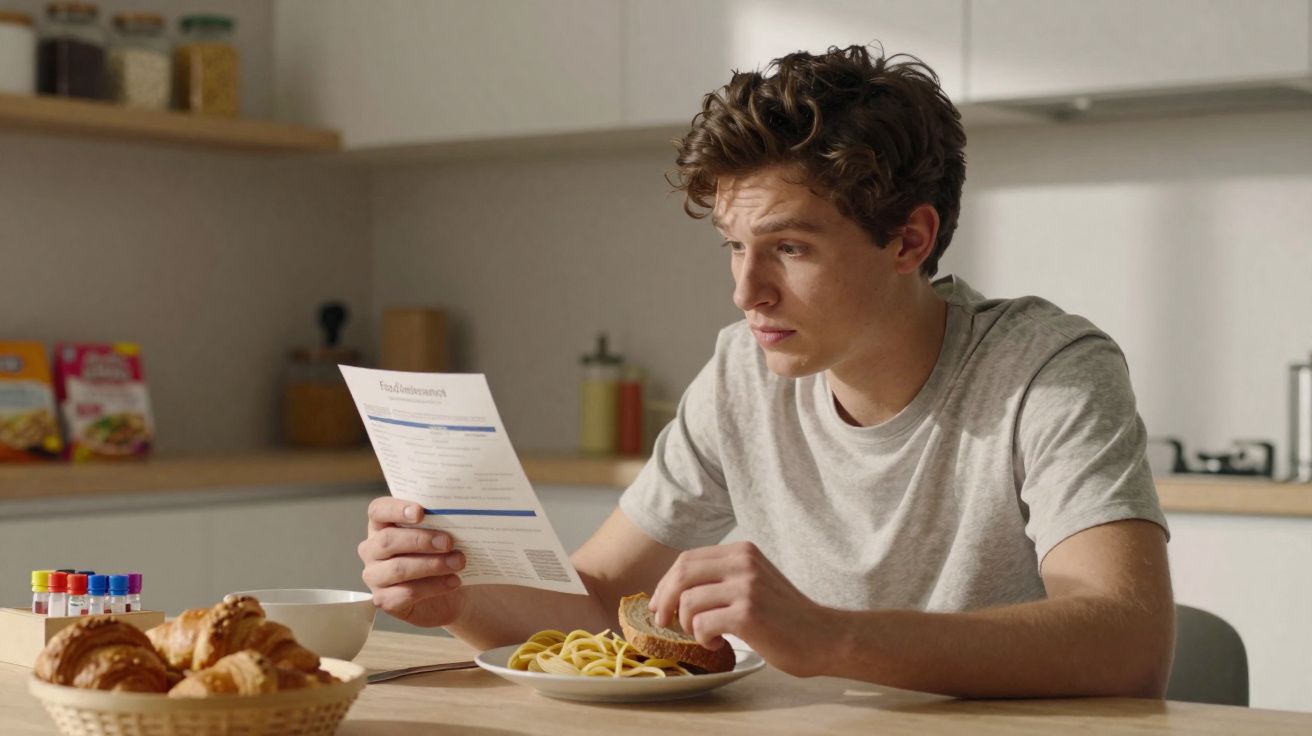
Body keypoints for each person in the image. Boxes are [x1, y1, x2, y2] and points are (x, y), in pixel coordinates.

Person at [358, 45, 1174, 698]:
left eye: (790, 247)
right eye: (736, 248)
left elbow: (1125, 637)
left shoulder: (1047, 369)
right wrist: (459, 599)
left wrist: (829, 636)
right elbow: (604, 598)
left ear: (909, 240)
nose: (747, 292)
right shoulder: (743, 373)